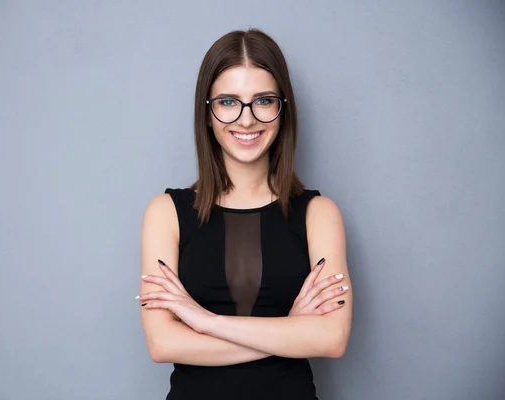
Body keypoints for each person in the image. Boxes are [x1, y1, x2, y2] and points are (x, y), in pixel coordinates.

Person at [137, 28, 352, 400]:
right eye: (228, 102)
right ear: (207, 113)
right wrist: (291, 331)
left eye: (263, 100)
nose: (247, 119)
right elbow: (162, 343)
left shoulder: (319, 213)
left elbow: (332, 339)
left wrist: (206, 323)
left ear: (283, 110)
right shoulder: (166, 212)